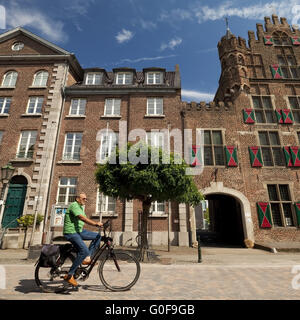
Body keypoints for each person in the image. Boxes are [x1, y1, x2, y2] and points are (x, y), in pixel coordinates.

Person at [63, 192, 103, 287]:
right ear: (77, 199)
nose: (85, 200)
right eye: (83, 198)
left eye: (86, 198)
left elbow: (83, 218)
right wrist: (95, 223)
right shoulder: (74, 205)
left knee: (98, 236)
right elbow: (82, 218)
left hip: (79, 231)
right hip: (71, 232)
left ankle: (87, 258)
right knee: (83, 251)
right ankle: (70, 275)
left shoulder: (80, 207)